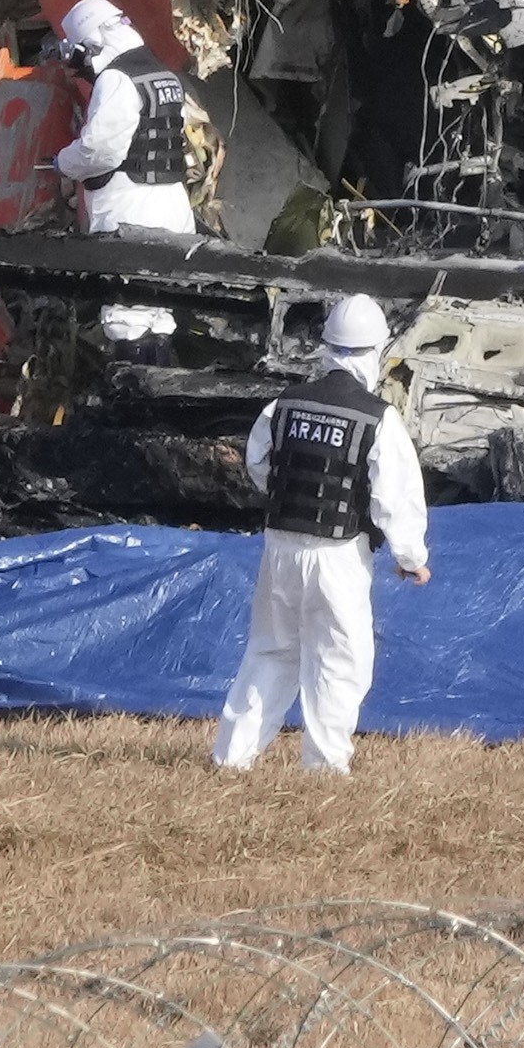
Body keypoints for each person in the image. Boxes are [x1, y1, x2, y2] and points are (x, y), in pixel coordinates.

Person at [213, 293, 429, 776]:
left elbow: (257, 464)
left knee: (270, 650)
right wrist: (411, 556)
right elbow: (396, 497)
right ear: (376, 351)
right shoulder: (378, 418)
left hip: (280, 548)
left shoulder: (282, 405)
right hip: (338, 554)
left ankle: (231, 758)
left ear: (326, 346)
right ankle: (324, 768)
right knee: (339, 659)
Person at [48, 0, 205, 357]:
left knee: (128, 316)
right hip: (171, 205)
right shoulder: (161, 72)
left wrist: (62, 162)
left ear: (91, 44)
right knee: (157, 310)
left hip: (132, 210)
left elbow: (99, 149)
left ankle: (135, 397)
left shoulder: (117, 79)